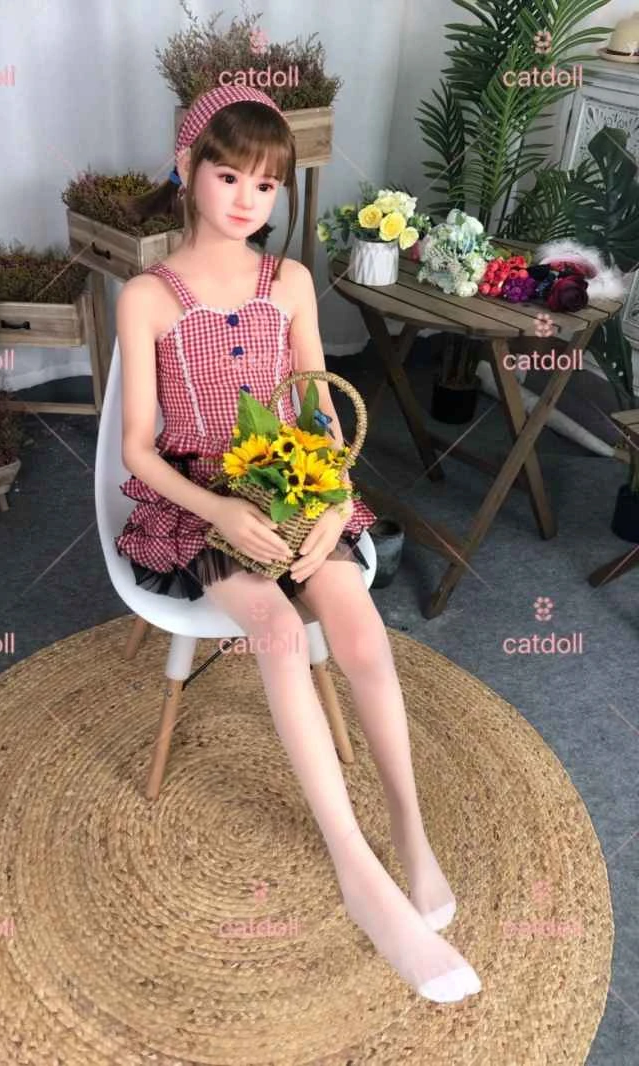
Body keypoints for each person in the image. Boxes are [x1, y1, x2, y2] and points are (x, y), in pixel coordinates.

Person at [114, 84, 481, 1004]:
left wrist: (335, 497)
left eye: (266, 184)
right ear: (188, 169)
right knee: (277, 634)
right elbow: (138, 448)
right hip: (204, 505)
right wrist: (218, 509)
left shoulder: (290, 283)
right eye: (228, 175)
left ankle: (409, 831)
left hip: (299, 488)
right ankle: (357, 869)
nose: (247, 199)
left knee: (358, 627)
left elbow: (319, 409)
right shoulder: (147, 296)